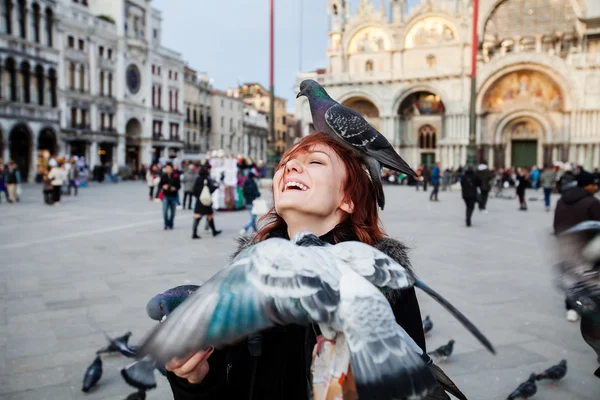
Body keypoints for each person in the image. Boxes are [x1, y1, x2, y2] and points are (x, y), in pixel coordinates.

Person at [165, 132, 440, 399]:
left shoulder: (380, 279)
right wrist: (194, 379)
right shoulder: (244, 276)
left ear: (348, 199)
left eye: (315, 161)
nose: (290, 166)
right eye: (285, 163)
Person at [553, 170, 600, 322]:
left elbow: (556, 223)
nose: (596, 187)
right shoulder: (592, 202)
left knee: (572, 279)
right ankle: (584, 308)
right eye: (594, 184)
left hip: (565, 244)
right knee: (586, 281)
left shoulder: (562, 200)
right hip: (586, 247)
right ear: (588, 186)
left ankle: (571, 308)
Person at [191, 165, 222, 239]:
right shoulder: (207, 179)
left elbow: (194, 190)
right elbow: (210, 190)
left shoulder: (198, 178)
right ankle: (214, 231)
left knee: (198, 216)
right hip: (206, 200)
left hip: (199, 200)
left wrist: (198, 196)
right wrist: (215, 187)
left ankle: (194, 233)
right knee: (209, 215)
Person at [158, 163, 181, 230]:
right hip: (166, 196)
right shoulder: (163, 175)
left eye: (169, 168)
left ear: (172, 168)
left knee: (173, 212)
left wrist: (174, 188)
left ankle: (171, 223)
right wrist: (163, 186)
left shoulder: (176, 176)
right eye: (167, 168)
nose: (168, 169)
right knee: (165, 211)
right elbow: (159, 185)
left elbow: (179, 186)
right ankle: (166, 223)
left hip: (173, 196)